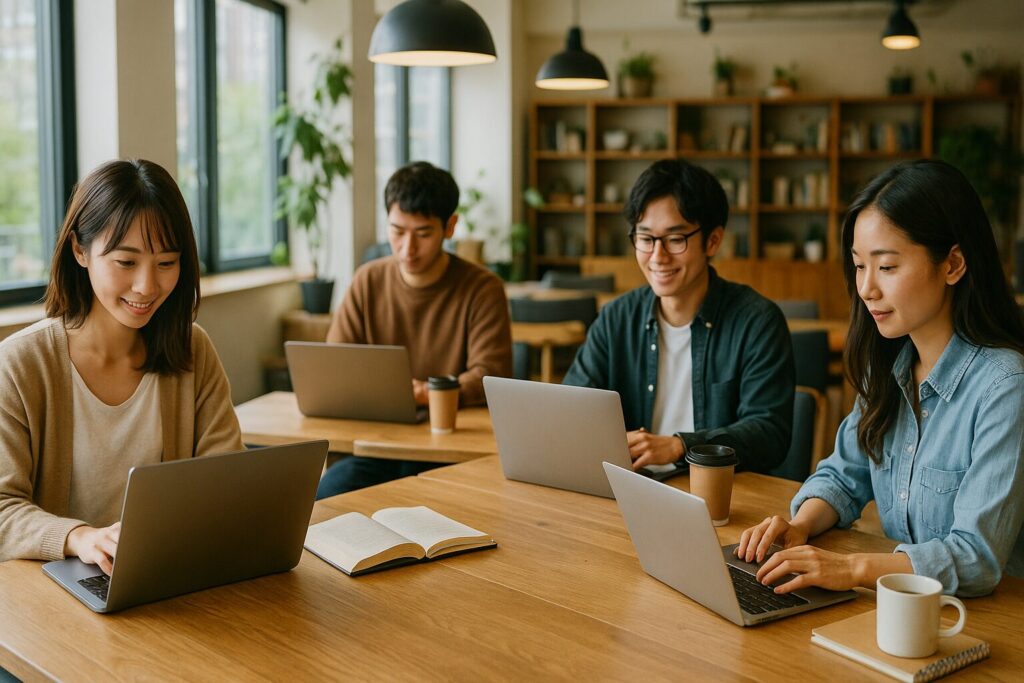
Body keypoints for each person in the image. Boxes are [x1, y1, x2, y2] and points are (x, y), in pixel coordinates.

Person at [736, 159, 1024, 597]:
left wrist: (851, 568)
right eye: (859, 266)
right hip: (903, 608)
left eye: (886, 267)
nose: (867, 289)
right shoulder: (887, 368)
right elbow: (843, 476)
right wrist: (799, 526)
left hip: (989, 620)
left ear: (953, 264)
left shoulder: (1004, 387)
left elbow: (975, 557)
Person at [0, 159, 243, 573]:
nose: (147, 286)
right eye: (126, 263)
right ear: (80, 250)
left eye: (166, 263)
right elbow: (4, 509)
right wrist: (80, 537)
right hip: (54, 590)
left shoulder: (192, 350)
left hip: (163, 576)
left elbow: (228, 483)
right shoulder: (20, 363)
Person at [563, 158, 794, 473]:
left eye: (675, 239)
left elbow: (769, 433)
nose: (658, 257)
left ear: (713, 241)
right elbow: (573, 408)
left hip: (716, 490)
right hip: (630, 485)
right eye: (646, 239)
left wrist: (680, 446)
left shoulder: (757, 322)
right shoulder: (616, 318)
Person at [319, 161, 512, 497]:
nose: (408, 249)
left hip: (451, 452)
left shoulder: (483, 288)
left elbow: (490, 374)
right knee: (320, 505)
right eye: (397, 231)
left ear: (450, 227)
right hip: (375, 448)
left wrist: (427, 393)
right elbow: (335, 365)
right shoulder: (367, 280)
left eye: (423, 234)